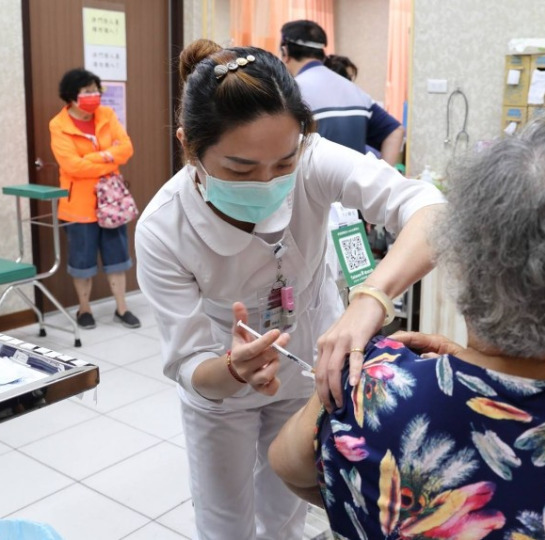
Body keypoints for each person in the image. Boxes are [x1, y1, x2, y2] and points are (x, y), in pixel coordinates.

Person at [269, 120, 545, 539]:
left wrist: (345, 376)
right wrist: (480, 376)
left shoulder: (374, 392)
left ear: (463, 260)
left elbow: (288, 465)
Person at [134, 39, 444, 540]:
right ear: (189, 146)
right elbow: (189, 364)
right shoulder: (163, 230)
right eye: (240, 169)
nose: (267, 182)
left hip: (307, 371)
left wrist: (371, 299)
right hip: (222, 393)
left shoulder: (315, 160)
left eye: (283, 163)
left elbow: (429, 210)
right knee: (225, 523)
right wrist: (232, 370)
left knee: (285, 517)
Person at [49, 68, 141, 330]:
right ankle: (84, 309)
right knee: (82, 262)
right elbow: (72, 166)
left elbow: (126, 148)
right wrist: (109, 159)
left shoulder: (106, 114)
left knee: (117, 259)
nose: (93, 95)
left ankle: (122, 308)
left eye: (95, 90)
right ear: (71, 95)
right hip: (78, 205)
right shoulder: (59, 124)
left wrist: (94, 158)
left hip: (111, 202)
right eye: (87, 91)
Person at [280, 20, 405, 166]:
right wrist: (380, 175)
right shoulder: (355, 92)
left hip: (312, 180)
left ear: (285, 52)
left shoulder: (291, 93)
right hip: (355, 180)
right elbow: (395, 131)